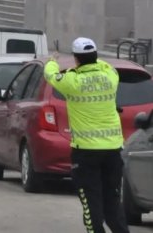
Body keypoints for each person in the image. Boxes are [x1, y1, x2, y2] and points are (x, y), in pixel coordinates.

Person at [44, 38, 129, 233]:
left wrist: (52, 60)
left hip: (86, 152)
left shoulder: (72, 81)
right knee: (113, 201)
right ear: (96, 56)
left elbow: (50, 75)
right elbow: (104, 65)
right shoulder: (110, 76)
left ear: (76, 59)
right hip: (113, 150)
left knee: (91, 204)